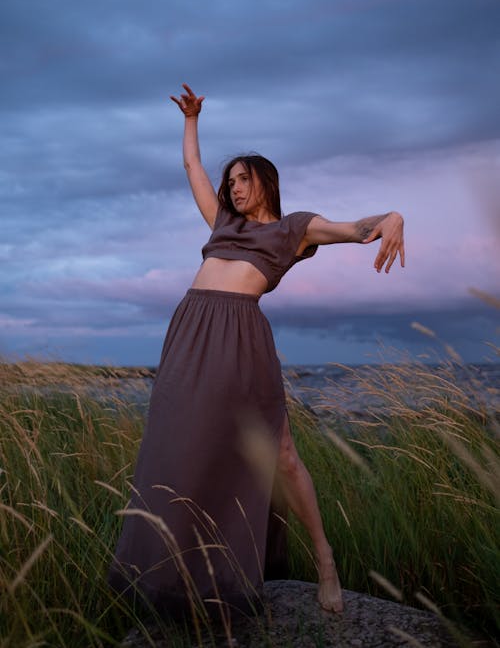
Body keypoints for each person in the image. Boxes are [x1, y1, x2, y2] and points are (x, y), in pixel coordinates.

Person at [108, 84, 405, 623]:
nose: (234, 187)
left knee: (281, 456)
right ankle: (187, 577)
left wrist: (393, 216)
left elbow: (358, 229)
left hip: (240, 336)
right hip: (189, 331)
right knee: (184, 446)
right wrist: (192, 120)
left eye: (243, 179)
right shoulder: (223, 220)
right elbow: (193, 166)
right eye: (231, 181)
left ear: (265, 180)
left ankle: (325, 562)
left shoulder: (295, 230)